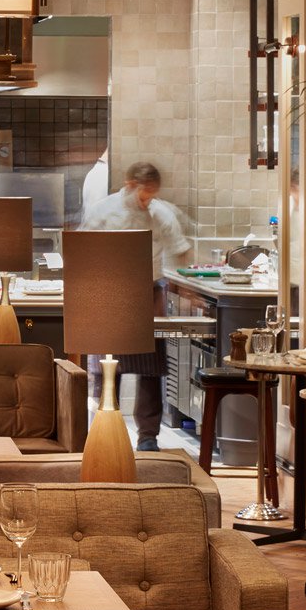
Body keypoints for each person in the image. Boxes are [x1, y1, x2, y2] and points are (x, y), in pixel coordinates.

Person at [79, 161, 190, 450]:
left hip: (149, 291)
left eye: (152, 195)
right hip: (111, 292)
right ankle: (106, 428)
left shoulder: (160, 212)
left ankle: (148, 436)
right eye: (144, 195)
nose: (148, 201)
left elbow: (180, 250)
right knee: (108, 366)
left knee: (151, 368)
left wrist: (182, 282)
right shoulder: (103, 211)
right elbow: (83, 248)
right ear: (129, 186)